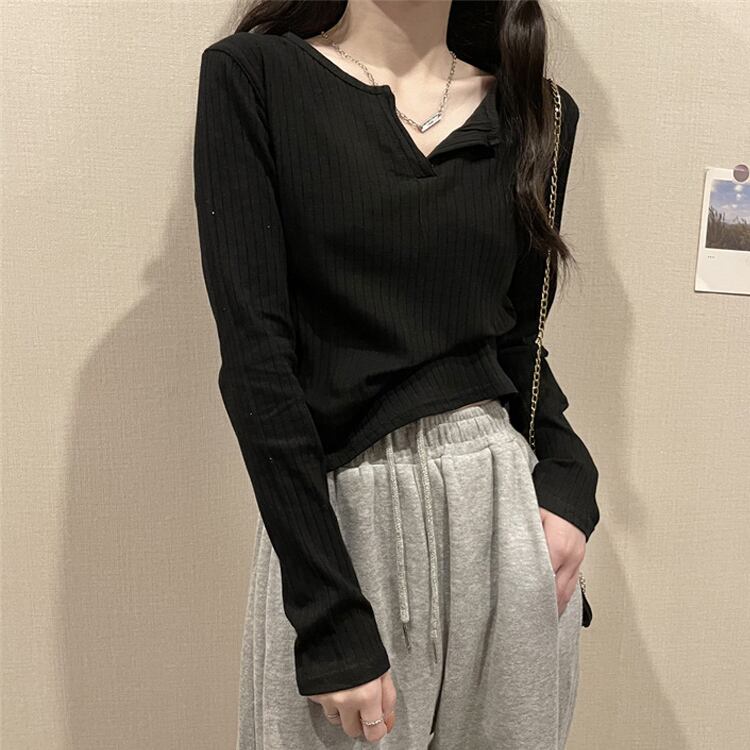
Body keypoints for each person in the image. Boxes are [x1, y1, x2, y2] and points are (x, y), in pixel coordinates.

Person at [192, 1, 600, 748]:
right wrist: (328, 617)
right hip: (345, 523)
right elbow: (256, 363)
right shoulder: (254, 78)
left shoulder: (538, 115)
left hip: (505, 515)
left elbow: (516, 342)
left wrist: (570, 473)